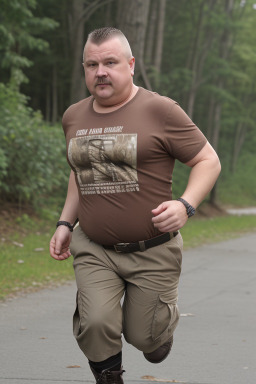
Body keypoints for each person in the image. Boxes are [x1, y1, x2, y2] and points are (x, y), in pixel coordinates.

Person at [49, 27, 221, 384]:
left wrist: (185, 206)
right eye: (92, 64)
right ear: (84, 69)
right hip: (95, 246)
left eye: (110, 62)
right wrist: (65, 223)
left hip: (153, 249)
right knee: (96, 322)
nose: (101, 72)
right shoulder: (74, 117)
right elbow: (80, 172)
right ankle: (109, 378)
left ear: (130, 65)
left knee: (146, 338)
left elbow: (208, 160)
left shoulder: (160, 110)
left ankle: (160, 330)